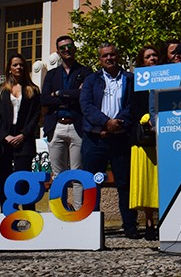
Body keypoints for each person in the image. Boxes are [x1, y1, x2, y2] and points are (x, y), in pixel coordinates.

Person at [80, 43, 139, 238]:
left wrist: (117, 124)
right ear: (100, 59)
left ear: (118, 56)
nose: (109, 58)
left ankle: (130, 227)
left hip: (120, 138)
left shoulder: (130, 79)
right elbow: (86, 106)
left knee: (124, 184)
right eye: (105, 56)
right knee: (91, 183)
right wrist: (105, 123)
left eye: (112, 54)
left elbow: (133, 106)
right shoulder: (91, 80)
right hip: (95, 139)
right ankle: (90, 228)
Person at [41, 35, 92, 210]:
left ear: (74, 48)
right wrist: (69, 95)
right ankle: (58, 211)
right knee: (57, 174)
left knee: (78, 173)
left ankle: (78, 212)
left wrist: (59, 93)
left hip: (77, 126)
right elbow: (44, 99)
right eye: (62, 48)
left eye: (69, 46)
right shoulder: (51, 74)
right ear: (58, 52)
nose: (67, 50)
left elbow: (84, 95)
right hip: (56, 127)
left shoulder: (85, 72)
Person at [0, 53, 41, 209]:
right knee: (4, 177)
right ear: (9, 69)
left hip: (24, 138)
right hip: (4, 139)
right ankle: (7, 212)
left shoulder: (33, 90)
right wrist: (5, 135)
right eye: (15, 65)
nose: (19, 67)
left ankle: (28, 214)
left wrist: (23, 134)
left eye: (21, 65)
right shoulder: (0, 90)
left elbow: (36, 115)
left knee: (24, 179)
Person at [130, 45, 161, 240]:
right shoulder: (136, 82)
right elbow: (131, 107)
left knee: (160, 182)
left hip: (163, 137)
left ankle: (162, 220)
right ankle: (149, 223)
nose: (153, 59)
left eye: (155, 55)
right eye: (148, 56)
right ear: (142, 62)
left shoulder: (166, 78)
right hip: (143, 140)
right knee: (147, 183)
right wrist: (146, 118)